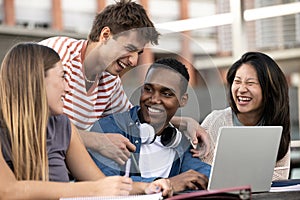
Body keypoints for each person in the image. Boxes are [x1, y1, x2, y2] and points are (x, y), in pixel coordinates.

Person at [39, 0, 210, 165]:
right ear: (105, 35)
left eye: (139, 53)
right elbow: (28, 122)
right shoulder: (56, 55)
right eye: (129, 49)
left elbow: (137, 117)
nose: (134, 61)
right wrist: (97, 141)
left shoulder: (110, 81)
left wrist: (186, 122)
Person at [0, 43, 173, 199]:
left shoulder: (64, 127)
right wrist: (93, 189)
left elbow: (101, 183)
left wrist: (148, 187)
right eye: (62, 77)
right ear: (36, 80)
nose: (67, 88)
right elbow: (8, 191)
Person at [89, 58, 211, 193]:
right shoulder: (109, 129)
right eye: (148, 89)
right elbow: (104, 183)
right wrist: (166, 184)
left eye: (166, 93)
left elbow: (201, 176)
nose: (154, 99)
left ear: (183, 100)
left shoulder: (178, 142)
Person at [198, 52, 290, 180]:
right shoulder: (215, 121)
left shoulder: (276, 124)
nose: (241, 89)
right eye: (237, 82)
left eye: (250, 83)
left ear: (269, 89)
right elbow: (201, 172)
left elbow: (280, 176)